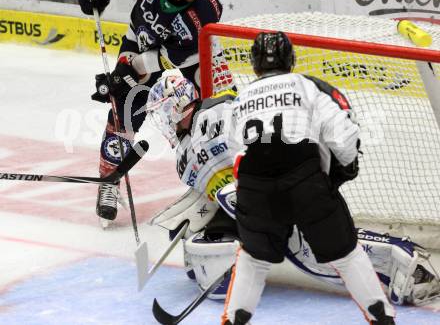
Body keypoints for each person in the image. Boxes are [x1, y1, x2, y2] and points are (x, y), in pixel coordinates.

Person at [145, 75, 440, 309]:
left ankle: (404, 261)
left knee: (317, 251)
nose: (162, 120)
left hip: (284, 182)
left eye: (163, 111)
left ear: (176, 104)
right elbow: (215, 195)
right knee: (314, 250)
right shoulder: (185, 155)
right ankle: (397, 264)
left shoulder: (216, 113)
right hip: (263, 200)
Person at [221, 31, 396, 324]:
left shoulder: (240, 99)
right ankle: (382, 319)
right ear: (292, 60)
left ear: (254, 64)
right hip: (304, 179)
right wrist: (343, 170)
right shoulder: (308, 86)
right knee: (347, 255)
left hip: (255, 185)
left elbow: (235, 154)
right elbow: (342, 135)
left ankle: (233, 322)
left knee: (253, 259)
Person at [76, 0, 222, 225]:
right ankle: (109, 181)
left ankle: (211, 181)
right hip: (139, 38)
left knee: (206, 115)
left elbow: (171, 60)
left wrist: (132, 68)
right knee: (124, 109)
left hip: (191, 60)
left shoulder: (204, 11)